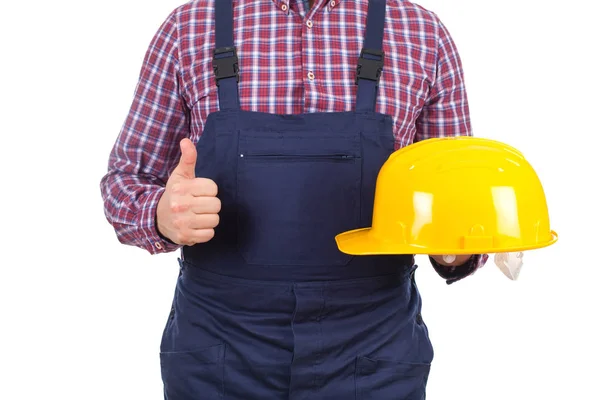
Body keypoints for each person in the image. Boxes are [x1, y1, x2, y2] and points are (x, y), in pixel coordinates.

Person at [100, 0, 487, 397]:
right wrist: (161, 216)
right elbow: (126, 181)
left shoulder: (422, 32)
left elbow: (460, 194)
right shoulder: (188, 27)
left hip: (373, 349)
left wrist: (457, 247)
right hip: (221, 347)